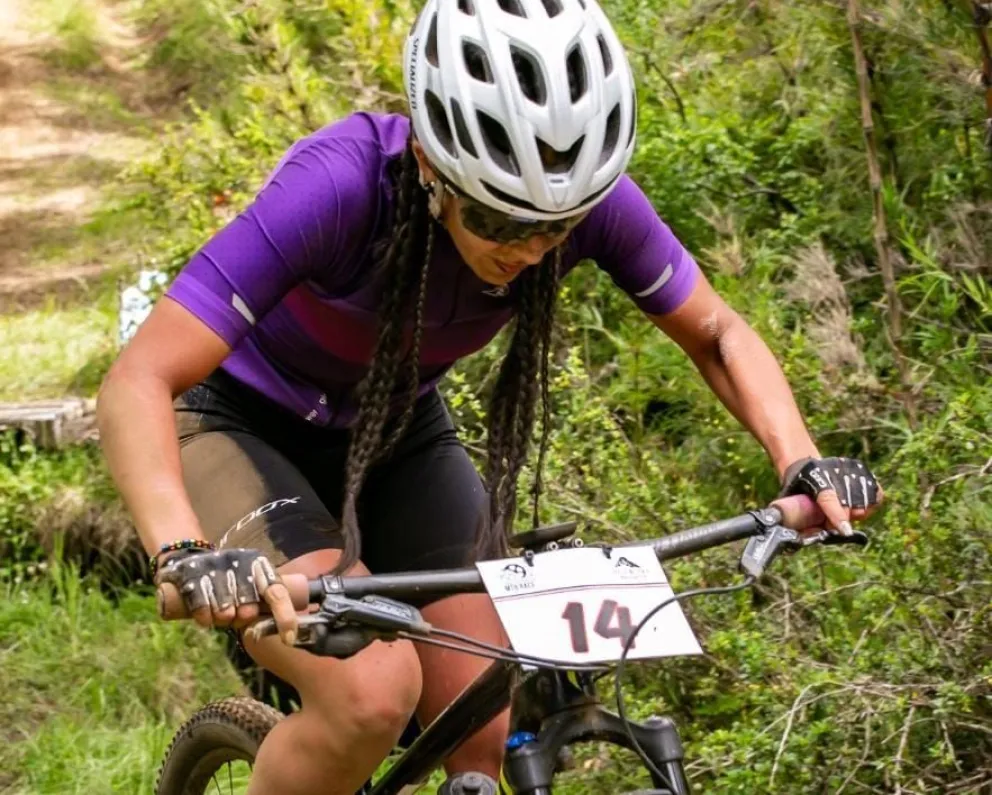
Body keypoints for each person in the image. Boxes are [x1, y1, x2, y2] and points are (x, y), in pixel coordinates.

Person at [96, 0, 882, 793]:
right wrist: (183, 552)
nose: (528, 250)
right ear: (435, 170)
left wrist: (802, 462)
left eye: (555, 227)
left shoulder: (583, 213)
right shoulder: (339, 187)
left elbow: (715, 331)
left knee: (481, 712)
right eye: (499, 220)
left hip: (394, 430)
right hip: (239, 424)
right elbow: (139, 380)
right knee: (372, 693)